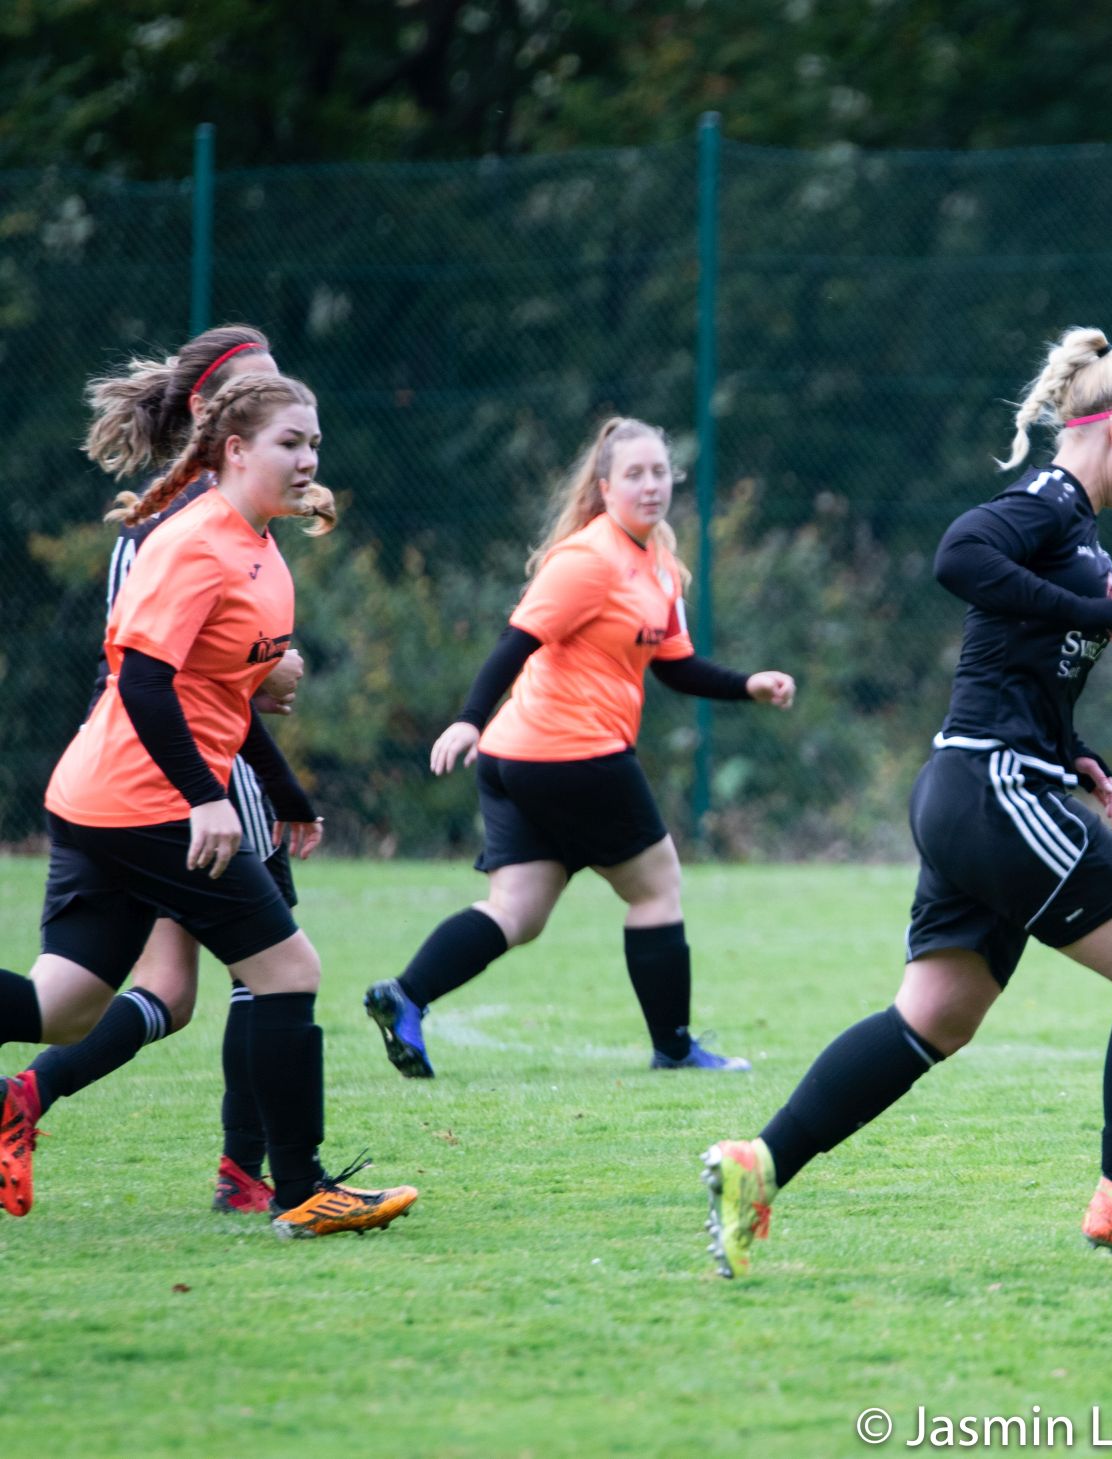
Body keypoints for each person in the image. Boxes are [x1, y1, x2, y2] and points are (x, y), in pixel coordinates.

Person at [699, 327, 1112, 1279]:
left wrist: (1075, 751)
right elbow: (958, 556)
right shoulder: (1047, 501)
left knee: (935, 1017)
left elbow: (1013, 664)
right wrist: (1095, 613)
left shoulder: (1075, 526)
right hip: (991, 788)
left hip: (976, 784)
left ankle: (758, 1165)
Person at [0, 373, 418, 1238]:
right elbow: (143, 684)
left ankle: (283, 1181)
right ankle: (300, 1190)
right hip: (141, 802)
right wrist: (205, 798)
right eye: (289, 443)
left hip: (103, 798)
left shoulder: (259, 548)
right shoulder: (196, 544)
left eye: (314, 443)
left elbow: (221, 696)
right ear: (234, 450)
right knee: (287, 971)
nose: (308, 459)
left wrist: (283, 792)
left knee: (63, 1007)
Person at [366, 416, 795, 1078]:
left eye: (660, 472)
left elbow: (676, 666)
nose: (651, 485)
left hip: (520, 762)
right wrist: (469, 719)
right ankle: (675, 1048)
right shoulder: (589, 560)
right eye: (634, 474)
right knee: (657, 887)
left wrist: (748, 686)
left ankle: (405, 996)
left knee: (518, 911)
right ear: (604, 486)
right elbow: (517, 641)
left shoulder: (658, 564)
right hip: (572, 753)